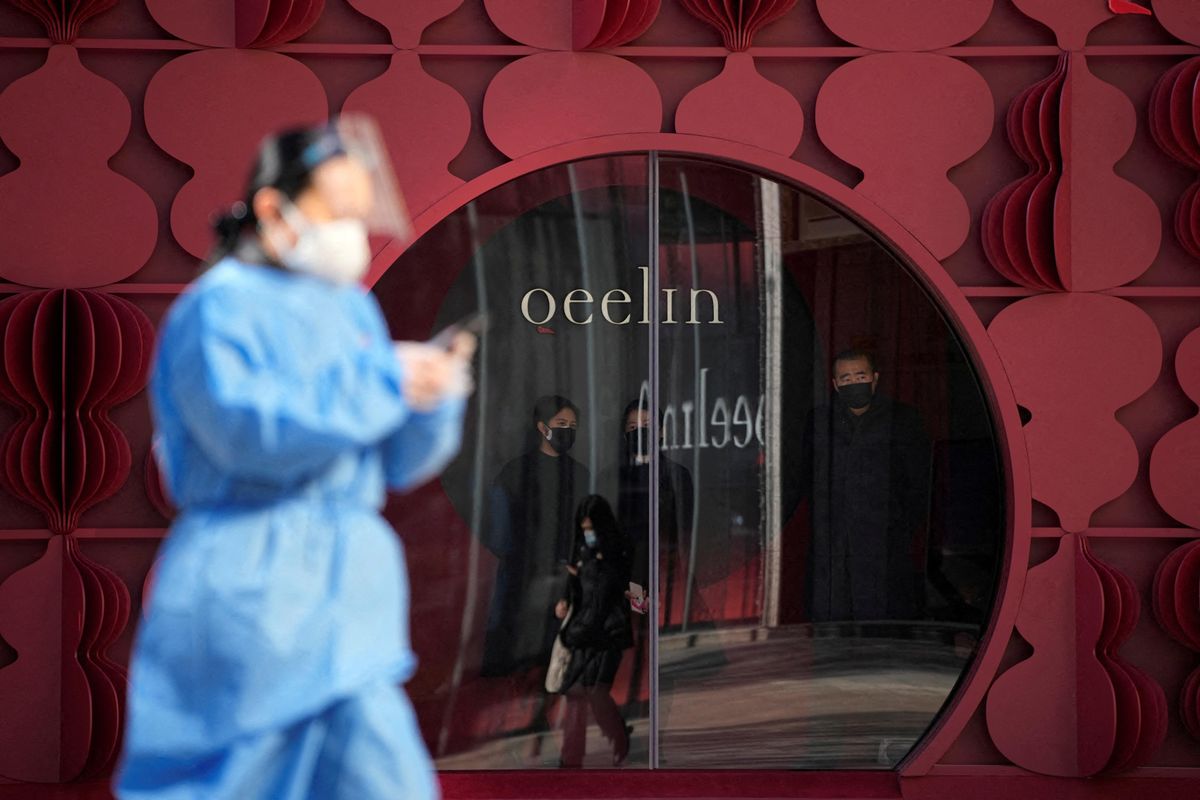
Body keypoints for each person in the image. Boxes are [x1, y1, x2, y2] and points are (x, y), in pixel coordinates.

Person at [117, 121, 474, 799]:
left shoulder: (350, 311)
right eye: (336, 212)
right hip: (252, 581)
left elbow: (394, 462)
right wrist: (383, 384)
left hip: (349, 596)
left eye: (357, 216)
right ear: (275, 209)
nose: (352, 231)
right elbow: (248, 433)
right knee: (235, 777)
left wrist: (431, 399)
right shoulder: (218, 309)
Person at [802, 349, 931, 623]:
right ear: (835, 385)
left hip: (885, 545)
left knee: (884, 621)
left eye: (859, 375)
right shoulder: (819, 421)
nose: (853, 383)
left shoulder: (903, 419)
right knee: (834, 623)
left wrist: (898, 527)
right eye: (845, 378)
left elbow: (919, 483)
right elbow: (806, 478)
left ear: (874, 379)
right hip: (833, 547)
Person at [481, 395, 591, 679]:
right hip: (523, 569)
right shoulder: (515, 472)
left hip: (566, 569)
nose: (568, 430)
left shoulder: (580, 473)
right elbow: (500, 533)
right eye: (561, 423)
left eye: (572, 425)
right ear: (543, 428)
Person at [554, 495, 633, 768]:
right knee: (575, 694)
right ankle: (571, 756)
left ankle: (618, 738)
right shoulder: (582, 553)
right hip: (584, 629)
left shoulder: (620, 553)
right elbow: (575, 587)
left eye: (591, 529)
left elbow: (636, 593)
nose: (588, 535)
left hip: (608, 632)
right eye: (584, 529)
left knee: (597, 693)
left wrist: (637, 605)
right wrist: (565, 600)